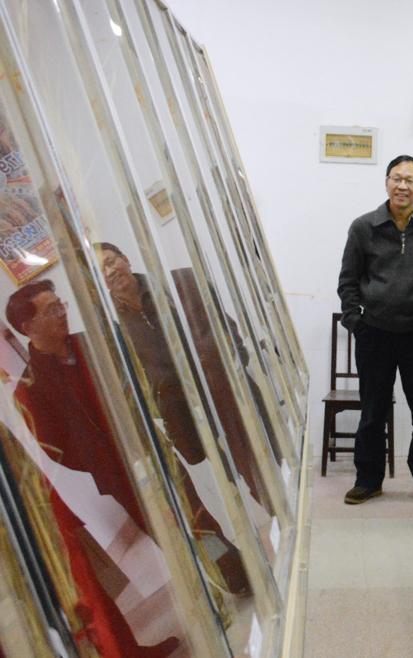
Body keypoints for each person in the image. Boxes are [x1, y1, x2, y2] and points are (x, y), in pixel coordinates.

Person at [6, 280, 180, 657]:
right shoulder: (29, 387)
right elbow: (55, 449)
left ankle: (232, 572)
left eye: (61, 305)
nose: (62, 314)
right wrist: (100, 458)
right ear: (28, 327)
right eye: (51, 310)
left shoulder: (91, 345)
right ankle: (213, 586)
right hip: (117, 473)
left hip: (151, 452)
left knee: (190, 514)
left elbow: (133, 383)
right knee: (166, 535)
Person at [95, 242, 250, 594]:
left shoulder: (171, 287)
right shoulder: (112, 328)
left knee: (248, 470)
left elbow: (222, 331)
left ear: (126, 259)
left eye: (112, 261)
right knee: (198, 514)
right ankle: (232, 572)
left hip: (220, 398)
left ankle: (262, 538)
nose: (111, 271)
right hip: (175, 430)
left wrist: (233, 367)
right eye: (102, 269)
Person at [337, 155, 413, 507]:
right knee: (372, 412)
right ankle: (368, 480)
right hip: (375, 332)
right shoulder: (364, 227)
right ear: (386, 182)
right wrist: (356, 322)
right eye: (396, 178)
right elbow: (348, 280)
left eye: (410, 180)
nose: (402, 186)